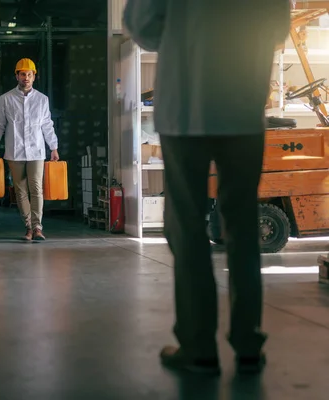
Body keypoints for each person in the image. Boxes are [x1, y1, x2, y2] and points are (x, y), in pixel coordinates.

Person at [124, 0, 291, 375]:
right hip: (243, 106)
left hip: (186, 105)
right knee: (243, 226)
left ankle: (199, 346)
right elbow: (278, 25)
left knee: (186, 226)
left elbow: (143, 25)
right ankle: (248, 343)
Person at [0, 58, 59, 241]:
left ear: (34, 77)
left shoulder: (42, 100)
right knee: (20, 190)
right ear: (16, 76)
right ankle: (28, 226)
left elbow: (47, 125)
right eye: (22, 74)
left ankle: (37, 227)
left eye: (29, 74)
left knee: (36, 188)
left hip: (36, 150)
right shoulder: (6, 99)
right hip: (15, 150)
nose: (26, 77)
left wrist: (54, 147)